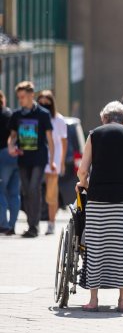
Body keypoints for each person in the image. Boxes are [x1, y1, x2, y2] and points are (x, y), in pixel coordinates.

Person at [76, 101, 123, 311]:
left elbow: (82, 171)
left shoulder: (95, 134)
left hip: (98, 199)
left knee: (96, 246)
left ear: (103, 119)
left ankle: (94, 300)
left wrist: (87, 185)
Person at [7, 81, 54, 238]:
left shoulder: (43, 114)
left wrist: (52, 160)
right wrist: (10, 147)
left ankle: (34, 226)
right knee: (27, 191)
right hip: (22, 158)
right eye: (18, 97)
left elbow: (50, 138)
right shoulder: (16, 115)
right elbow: (12, 137)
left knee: (34, 188)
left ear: (31, 95)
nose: (20, 100)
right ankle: (31, 225)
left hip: (39, 158)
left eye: (23, 97)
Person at [37, 90, 67, 236]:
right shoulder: (37, 117)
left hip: (53, 161)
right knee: (34, 191)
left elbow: (64, 142)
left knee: (51, 194)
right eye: (40, 100)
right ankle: (34, 223)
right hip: (37, 159)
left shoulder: (59, 120)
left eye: (46, 100)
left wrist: (61, 162)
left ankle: (51, 222)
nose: (43, 103)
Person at [0, 91, 20, 236]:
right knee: (14, 193)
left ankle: (3, 224)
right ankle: (12, 225)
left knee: (0, 190)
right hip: (15, 154)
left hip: (2, 154)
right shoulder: (11, 114)